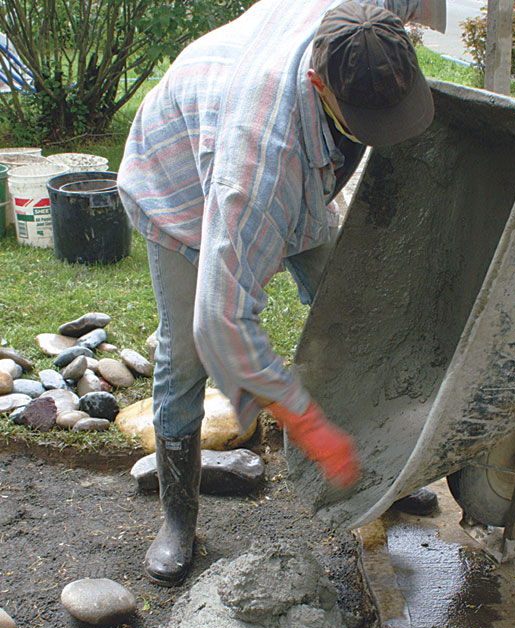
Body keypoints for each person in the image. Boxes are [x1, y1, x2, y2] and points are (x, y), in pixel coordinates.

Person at [118, 0, 438, 587]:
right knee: (184, 359)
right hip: (182, 182)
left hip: (279, 140)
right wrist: (309, 424)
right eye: (367, 116)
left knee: (348, 307)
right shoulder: (258, 169)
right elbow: (221, 323)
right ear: (319, 83)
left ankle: (386, 471)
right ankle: (178, 519)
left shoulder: (358, 26)